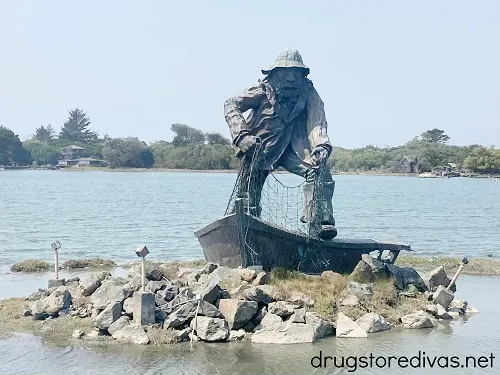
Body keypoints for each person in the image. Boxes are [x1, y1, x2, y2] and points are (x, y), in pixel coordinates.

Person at [223, 48, 337, 239]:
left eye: (295, 74)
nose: (290, 79)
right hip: (260, 149)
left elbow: (317, 122)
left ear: (303, 76)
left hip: (295, 150)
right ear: (275, 74)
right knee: (247, 198)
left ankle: (320, 222)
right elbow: (231, 104)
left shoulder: (309, 94)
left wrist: (321, 146)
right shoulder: (262, 90)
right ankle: (245, 231)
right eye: (285, 73)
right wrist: (242, 136)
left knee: (319, 170)